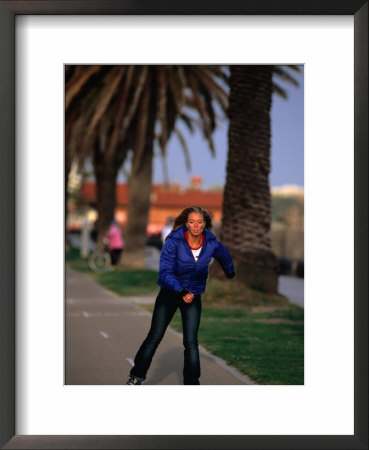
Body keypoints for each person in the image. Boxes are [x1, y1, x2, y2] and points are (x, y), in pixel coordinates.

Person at [125, 206, 235, 385]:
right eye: (192, 222)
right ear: (186, 223)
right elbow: (165, 271)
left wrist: (230, 272)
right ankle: (136, 377)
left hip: (193, 295)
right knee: (155, 336)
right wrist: (181, 291)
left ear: (204, 224)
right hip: (169, 294)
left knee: (191, 342)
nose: (196, 226)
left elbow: (225, 255)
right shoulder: (174, 242)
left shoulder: (211, 243)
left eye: (200, 222)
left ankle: (192, 383)